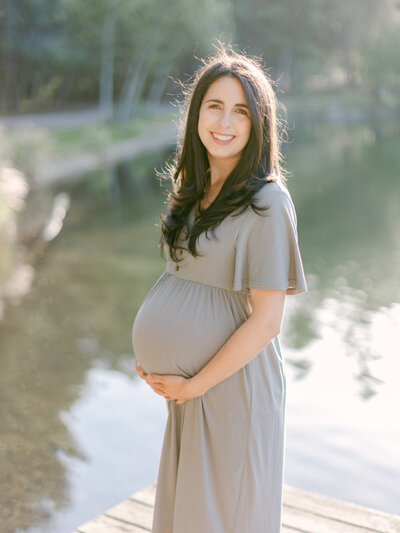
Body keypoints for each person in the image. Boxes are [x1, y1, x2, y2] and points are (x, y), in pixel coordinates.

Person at [131, 44, 307, 533]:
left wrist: (194, 383)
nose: (224, 121)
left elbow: (268, 321)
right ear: (196, 114)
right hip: (190, 394)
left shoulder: (267, 203)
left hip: (230, 390)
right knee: (188, 516)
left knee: (225, 518)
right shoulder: (194, 185)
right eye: (214, 106)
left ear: (258, 125)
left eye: (241, 111)